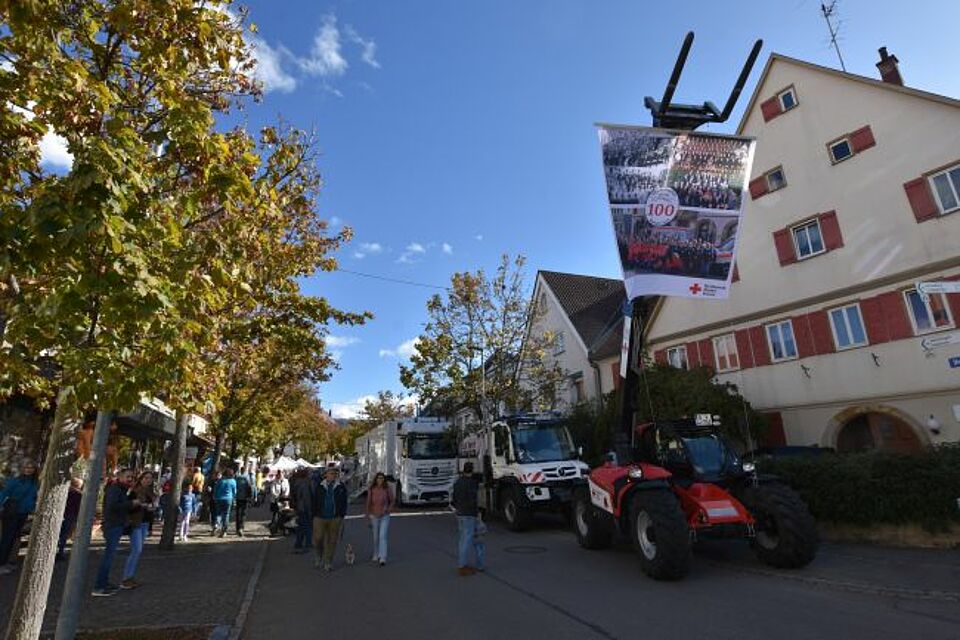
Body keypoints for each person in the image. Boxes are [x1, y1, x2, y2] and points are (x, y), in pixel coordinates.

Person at [93, 469, 137, 596]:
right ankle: (99, 586)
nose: (130, 479)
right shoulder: (114, 489)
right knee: (108, 556)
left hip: (116, 524)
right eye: (128, 476)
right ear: (120, 477)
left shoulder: (122, 489)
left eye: (132, 477)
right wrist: (130, 503)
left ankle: (104, 582)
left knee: (110, 556)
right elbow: (113, 506)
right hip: (112, 525)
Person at [0, 460, 39, 573]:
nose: (28, 469)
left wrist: (32, 508)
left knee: (13, 538)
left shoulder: (34, 483)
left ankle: (6, 562)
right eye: (26, 467)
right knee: (7, 538)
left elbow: (33, 498)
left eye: (31, 467)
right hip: (12, 513)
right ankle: (1, 564)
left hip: (23, 513)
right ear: (22, 468)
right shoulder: (15, 481)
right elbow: (4, 493)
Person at [121, 470, 156, 590]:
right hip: (135, 523)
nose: (148, 480)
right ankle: (126, 578)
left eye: (150, 478)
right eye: (145, 478)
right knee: (136, 549)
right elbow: (128, 507)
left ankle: (130, 576)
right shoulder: (134, 492)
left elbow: (151, 512)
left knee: (138, 551)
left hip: (145, 523)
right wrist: (140, 506)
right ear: (141, 479)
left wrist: (151, 525)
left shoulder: (151, 493)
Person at [311, 466, 347, 572]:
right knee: (318, 538)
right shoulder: (319, 486)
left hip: (335, 517)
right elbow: (314, 500)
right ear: (325, 474)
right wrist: (313, 513)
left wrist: (342, 515)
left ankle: (328, 562)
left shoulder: (340, 487)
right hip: (319, 516)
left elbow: (344, 502)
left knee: (332, 541)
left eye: (334, 473)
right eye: (330, 473)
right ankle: (319, 554)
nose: (333, 475)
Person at [451, 462, 481, 576]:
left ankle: (462, 563)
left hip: (460, 513)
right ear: (472, 471)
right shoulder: (472, 483)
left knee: (462, 539)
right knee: (467, 540)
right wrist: (477, 513)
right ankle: (462, 566)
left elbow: (454, 498)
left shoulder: (458, 482)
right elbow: (474, 500)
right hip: (469, 513)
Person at [365, 472, 393, 566]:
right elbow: (368, 503)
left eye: (382, 478)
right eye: (378, 478)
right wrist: (367, 516)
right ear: (375, 480)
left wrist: (388, 509)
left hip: (385, 515)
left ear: (384, 480)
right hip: (374, 515)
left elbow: (392, 500)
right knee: (375, 537)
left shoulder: (387, 489)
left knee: (383, 536)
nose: (380, 480)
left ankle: (383, 557)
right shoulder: (372, 489)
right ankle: (376, 553)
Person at [56, 477, 84, 560]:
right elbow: (78, 507)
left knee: (60, 534)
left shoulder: (64, 492)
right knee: (64, 535)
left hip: (63, 514)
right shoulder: (79, 494)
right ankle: (60, 552)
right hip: (71, 515)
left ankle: (57, 551)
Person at [292, 470, 313, 553]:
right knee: (307, 526)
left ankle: (298, 543)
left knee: (301, 526)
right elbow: (306, 498)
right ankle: (308, 543)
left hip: (299, 507)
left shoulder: (297, 483)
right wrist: (309, 509)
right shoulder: (305, 483)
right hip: (304, 507)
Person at [213, 468, 237, 537]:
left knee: (218, 513)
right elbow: (234, 492)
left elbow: (215, 489)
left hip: (218, 499)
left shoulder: (220, 481)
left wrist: (214, 497)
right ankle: (224, 531)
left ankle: (216, 524)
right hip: (228, 499)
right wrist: (234, 499)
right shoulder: (233, 481)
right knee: (226, 514)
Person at [234, 467, 252, 537]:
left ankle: (237, 528)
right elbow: (250, 488)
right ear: (244, 471)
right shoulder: (247, 479)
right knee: (243, 514)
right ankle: (241, 528)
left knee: (238, 513)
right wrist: (250, 497)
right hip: (244, 498)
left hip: (238, 498)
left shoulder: (237, 479)